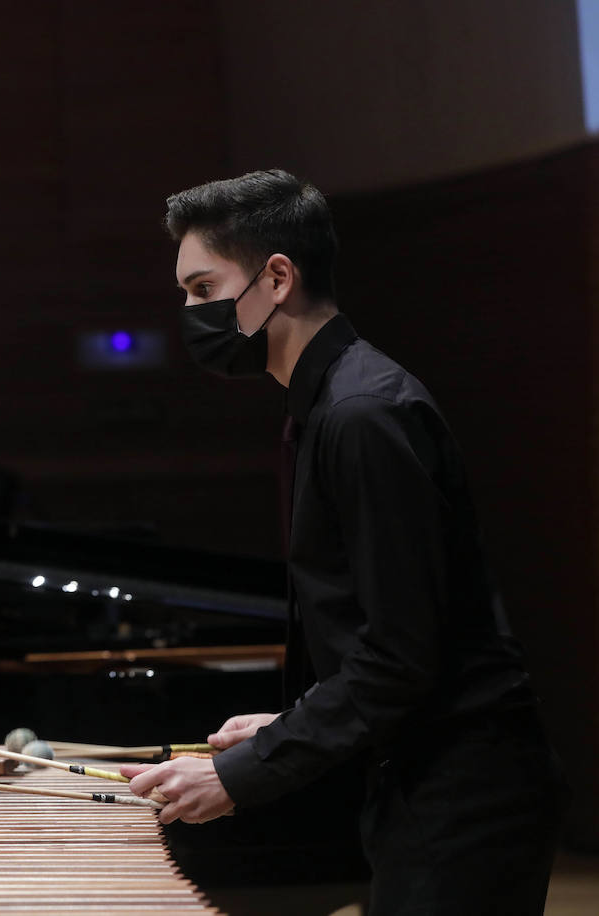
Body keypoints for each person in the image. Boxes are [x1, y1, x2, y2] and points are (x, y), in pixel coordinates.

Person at [124, 170, 565, 913]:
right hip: (424, 773)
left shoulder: (363, 415)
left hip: (462, 790)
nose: (191, 312)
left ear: (277, 277)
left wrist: (251, 770)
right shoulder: (329, 405)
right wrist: (289, 723)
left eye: (202, 288)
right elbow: (387, 640)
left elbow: (403, 656)